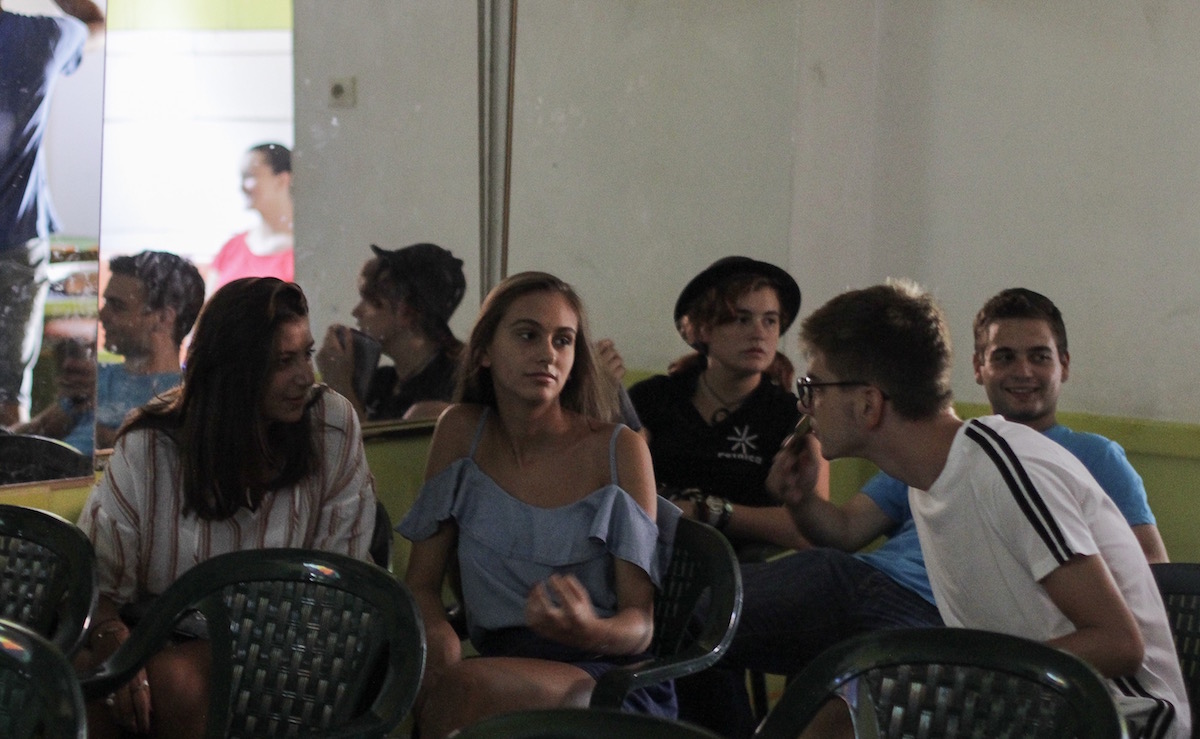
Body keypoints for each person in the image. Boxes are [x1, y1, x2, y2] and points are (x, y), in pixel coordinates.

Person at [773, 279, 1188, 738]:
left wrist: (959, 681)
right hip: (1025, 708)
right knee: (838, 714)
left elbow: (1119, 644)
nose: (806, 405)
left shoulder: (1005, 469)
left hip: (1117, 719)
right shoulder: (928, 477)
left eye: (814, 387)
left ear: (868, 404)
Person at [77, 277, 378, 737]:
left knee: (174, 681)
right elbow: (98, 586)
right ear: (233, 370)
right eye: (283, 362)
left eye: (307, 355)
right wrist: (114, 644)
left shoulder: (330, 426)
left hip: (299, 642)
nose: (305, 376)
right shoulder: (150, 446)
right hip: (158, 637)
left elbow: (341, 582)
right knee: (83, 683)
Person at [398, 271, 672, 738]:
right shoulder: (460, 431)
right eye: (527, 335)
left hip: (605, 674)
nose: (547, 353)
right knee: (431, 677)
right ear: (484, 352)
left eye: (563, 340)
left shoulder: (620, 449)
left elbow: (640, 625)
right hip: (501, 664)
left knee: (465, 689)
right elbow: (421, 584)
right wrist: (438, 635)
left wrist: (589, 628)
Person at [626, 256, 824, 737]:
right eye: (741, 319)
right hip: (646, 565)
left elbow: (807, 532)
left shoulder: (790, 416)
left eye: (770, 321)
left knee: (701, 624)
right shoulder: (654, 399)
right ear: (699, 330)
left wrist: (709, 512)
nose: (759, 333)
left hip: (738, 578)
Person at [0, 0, 105, 427]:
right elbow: (95, 24)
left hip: (18, 242)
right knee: (6, 396)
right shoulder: (38, 38)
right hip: (16, 239)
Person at [316, 242, 465, 422]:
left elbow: (366, 442)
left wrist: (341, 387)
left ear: (407, 311)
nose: (356, 311)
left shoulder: (456, 382)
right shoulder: (382, 382)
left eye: (372, 302)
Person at [95, 250, 205, 449]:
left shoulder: (188, 399)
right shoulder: (93, 377)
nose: (102, 315)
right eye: (105, 303)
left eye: (117, 306)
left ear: (163, 318)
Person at [208, 142, 293, 291]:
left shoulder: (304, 253)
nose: (242, 187)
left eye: (250, 176)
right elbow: (210, 302)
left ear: (282, 180)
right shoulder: (231, 249)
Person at [12, 336, 96, 453]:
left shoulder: (109, 400)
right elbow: (38, 425)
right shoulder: (72, 402)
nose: (65, 379)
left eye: (77, 372)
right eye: (64, 373)